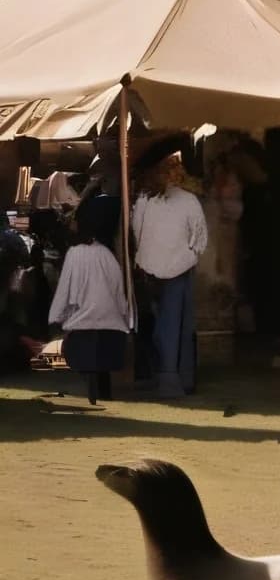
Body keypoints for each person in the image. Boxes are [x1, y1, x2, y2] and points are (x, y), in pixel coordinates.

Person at [132, 156, 207, 398]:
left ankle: (163, 374)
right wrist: (189, 255)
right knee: (180, 325)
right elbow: (199, 236)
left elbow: (137, 231)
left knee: (158, 323)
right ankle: (180, 378)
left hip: (150, 267)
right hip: (179, 268)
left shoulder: (145, 199)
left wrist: (144, 256)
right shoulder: (189, 200)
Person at [48, 194, 130, 403]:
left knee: (81, 347)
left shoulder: (75, 253)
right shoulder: (107, 255)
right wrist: (124, 316)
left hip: (82, 323)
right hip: (110, 323)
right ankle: (103, 388)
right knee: (101, 357)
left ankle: (92, 385)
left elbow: (65, 289)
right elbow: (118, 292)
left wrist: (56, 318)